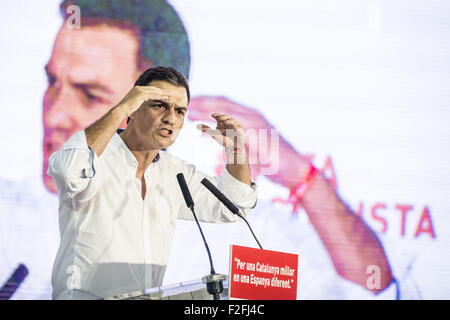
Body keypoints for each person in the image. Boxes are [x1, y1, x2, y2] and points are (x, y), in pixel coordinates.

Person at [0, 0, 419, 299]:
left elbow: (375, 293)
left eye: (89, 94)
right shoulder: (9, 215)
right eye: (52, 82)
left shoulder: (231, 237)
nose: (55, 114)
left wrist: (301, 177)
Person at [47, 66, 257, 299]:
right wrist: (120, 109)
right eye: (160, 105)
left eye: (180, 111)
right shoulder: (95, 158)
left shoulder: (176, 174)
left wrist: (236, 150)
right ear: (134, 108)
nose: (170, 118)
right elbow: (67, 172)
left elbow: (235, 205)